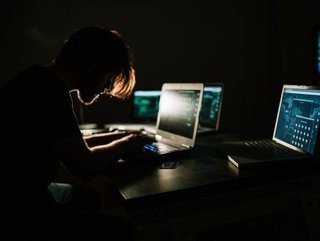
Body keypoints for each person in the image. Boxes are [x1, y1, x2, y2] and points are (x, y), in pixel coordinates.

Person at [1, 25, 148, 240]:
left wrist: (121, 136)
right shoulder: (48, 93)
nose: (107, 88)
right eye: (109, 77)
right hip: (19, 208)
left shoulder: (39, 80)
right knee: (123, 230)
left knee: (88, 198)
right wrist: (128, 143)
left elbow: (71, 142)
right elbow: (84, 165)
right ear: (92, 66)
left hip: (21, 193)